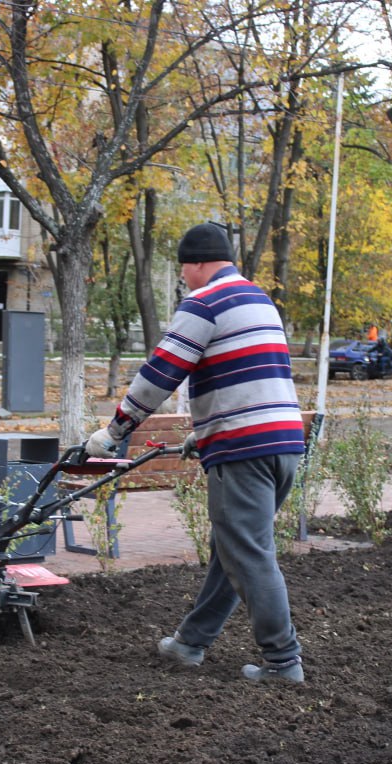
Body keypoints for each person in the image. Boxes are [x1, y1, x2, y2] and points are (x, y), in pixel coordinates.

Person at [84, 223, 307, 684]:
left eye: (184, 266)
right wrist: (203, 434)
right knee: (233, 549)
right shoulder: (259, 300)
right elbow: (252, 375)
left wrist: (114, 431)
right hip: (283, 443)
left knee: (249, 554)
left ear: (199, 262)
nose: (184, 275)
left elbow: (160, 374)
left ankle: (283, 661)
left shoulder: (204, 304)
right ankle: (190, 643)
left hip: (243, 449)